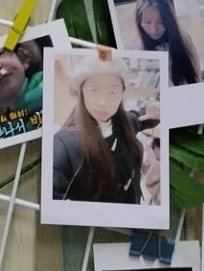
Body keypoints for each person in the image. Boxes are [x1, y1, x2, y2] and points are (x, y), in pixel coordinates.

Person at [51, 60, 146, 207]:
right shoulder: (63, 145)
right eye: (94, 90)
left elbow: (140, 118)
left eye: (112, 92)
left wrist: (154, 110)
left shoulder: (125, 122)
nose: (103, 102)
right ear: (82, 92)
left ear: (122, 93)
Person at [134, 0, 201, 82]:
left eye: (160, 22)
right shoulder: (138, 50)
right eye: (148, 22)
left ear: (169, 21)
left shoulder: (183, 38)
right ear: (139, 22)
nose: (154, 30)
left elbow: (196, 75)